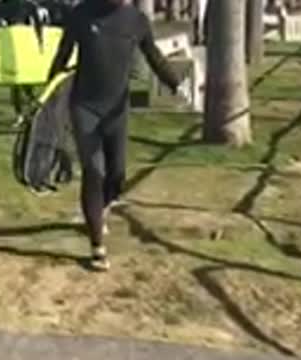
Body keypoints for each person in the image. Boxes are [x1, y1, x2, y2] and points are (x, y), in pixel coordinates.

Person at [47, 0, 184, 271]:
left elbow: (153, 54)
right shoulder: (82, 14)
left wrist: (174, 82)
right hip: (84, 106)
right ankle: (97, 245)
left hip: (117, 110)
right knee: (93, 171)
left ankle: (101, 207)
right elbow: (63, 53)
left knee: (117, 174)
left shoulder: (136, 20)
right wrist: (49, 88)